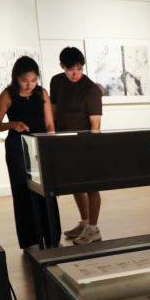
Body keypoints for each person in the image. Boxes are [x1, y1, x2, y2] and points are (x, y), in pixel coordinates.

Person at [0, 55, 55, 249]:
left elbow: (50, 123)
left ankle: (51, 237)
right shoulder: (8, 95)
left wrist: (51, 143)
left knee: (46, 192)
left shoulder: (42, 93)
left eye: (33, 80)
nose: (29, 85)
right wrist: (13, 124)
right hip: (17, 148)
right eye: (25, 80)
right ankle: (30, 241)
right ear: (16, 77)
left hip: (40, 146)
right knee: (22, 193)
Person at [49, 46, 104, 244]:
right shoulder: (56, 81)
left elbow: (95, 124)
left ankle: (94, 229)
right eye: (70, 69)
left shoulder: (91, 89)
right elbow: (53, 112)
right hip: (65, 142)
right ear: (62, 66)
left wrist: (94, 149)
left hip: (85, 144)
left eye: (79, 68)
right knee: (76, 184)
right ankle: (85, 222)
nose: (75, 73)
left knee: (91, 186)